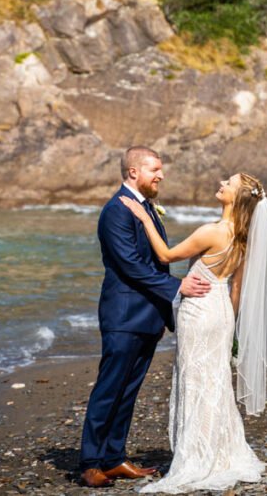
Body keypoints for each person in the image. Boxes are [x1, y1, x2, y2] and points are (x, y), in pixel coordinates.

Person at [120, 172, 267, 494]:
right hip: (221, 312)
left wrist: (143, 218)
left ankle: (197, 455)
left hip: (200, 311)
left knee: (195, 380)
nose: (221, 183)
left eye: (229, 183)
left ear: (236, 198)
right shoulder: (244, 237)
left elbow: (166, 255)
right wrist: (230, 324)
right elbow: (236, 287)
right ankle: (219, 450)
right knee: (215, 380)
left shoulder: (213, 232)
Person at [79, 146, 212, 488]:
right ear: (134, 172)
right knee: (109, 389)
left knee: (129, 391)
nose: (161, 175)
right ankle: (91, 462)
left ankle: (114, 458)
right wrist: (177, 287)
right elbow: (130, 265)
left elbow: (154, 258)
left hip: (148, 316)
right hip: (123, 316)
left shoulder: (144, 208)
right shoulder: (116, 211)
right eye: (155, 169)